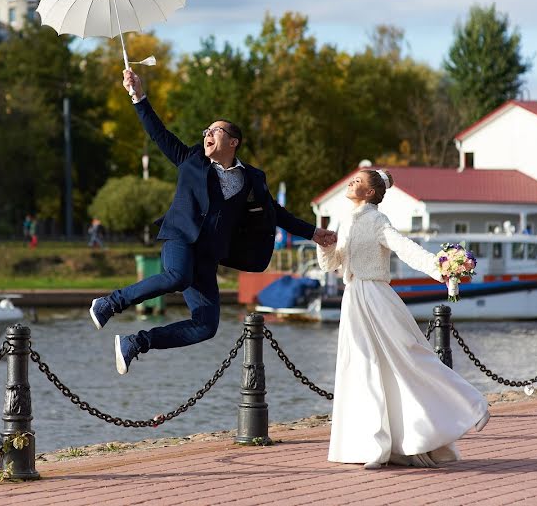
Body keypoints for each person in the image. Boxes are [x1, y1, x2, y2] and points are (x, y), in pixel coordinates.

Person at [89, 69, 337, 375]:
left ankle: (135, 343)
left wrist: (313, 232)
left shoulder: (251, 180)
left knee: (206, 326)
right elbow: (159, 134)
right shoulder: (191, 159)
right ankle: (110, 303)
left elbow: (276, 213)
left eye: (215, 130)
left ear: (232, 142)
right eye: (206, 130)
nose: (207, 133)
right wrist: (138, 96)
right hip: (180, 238)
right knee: (178, 276)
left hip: (208, 255)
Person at [316, 169, 489, 470]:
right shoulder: (346, 221)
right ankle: (374, 443)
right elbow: (332, 264)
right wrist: (326, 244)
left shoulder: (377, 221)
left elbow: (407, 250)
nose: (350, 183)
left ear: (370, 193)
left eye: (357, 181)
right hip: (353, 298)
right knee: (360, 366)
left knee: (408, 357)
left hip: (376, 298)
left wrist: (443, 268)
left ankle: (471, 403)